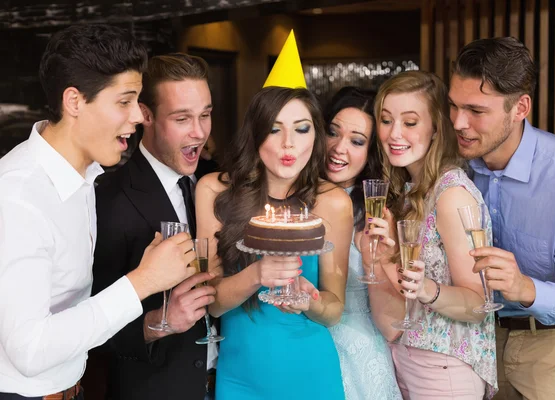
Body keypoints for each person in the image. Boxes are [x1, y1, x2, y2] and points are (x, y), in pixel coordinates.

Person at [0, 24, 196, 399]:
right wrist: (144, 281)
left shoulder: (87, 175)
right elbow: (29, 350)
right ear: (74, 101)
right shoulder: (18, 194)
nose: (138, 117)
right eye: (124, 101)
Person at [195, 31, 353, 399]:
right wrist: (257, 274)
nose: (289, 145)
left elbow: (334, 310)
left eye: (302, 129)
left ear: (315, 136)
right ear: (255, 134)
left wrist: (308, 300)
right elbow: (213, 302)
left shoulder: (332, 202)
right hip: (239, 380)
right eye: (274, 129)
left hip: (313, 377)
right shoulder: (214, 191)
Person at [449, 36, 555, 400]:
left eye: (476, 111)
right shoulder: (454, 166)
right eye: (453, 106)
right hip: (474, 335)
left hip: (552, 346)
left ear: (520, 108)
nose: (457, 122)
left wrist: (525, 288)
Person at [91, 53, 218, 400]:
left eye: (205, 115)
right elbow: (87, 329)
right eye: (182, 118)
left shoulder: (214, 183)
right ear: (146, 115)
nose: (199, 131)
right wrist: (157, 322)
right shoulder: (108, 199)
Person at [369, 71, 498, 399]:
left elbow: (478, 303)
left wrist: (427, 288)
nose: (394, 133)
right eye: (386, 120)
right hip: (407, 358)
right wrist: (384, 255)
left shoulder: (451, 194)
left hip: (444, 368)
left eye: (410, 122)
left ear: (437, 128)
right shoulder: (409, 191)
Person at [323, 86, 402, 400]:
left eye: (356, 141)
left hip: (359, 361)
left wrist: (380, 260)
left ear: (371, 153)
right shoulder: (291, 202)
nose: (339, 148)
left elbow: (395, 322)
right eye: (333, 132)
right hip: (299, 352)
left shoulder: (377, 215)